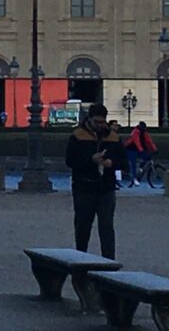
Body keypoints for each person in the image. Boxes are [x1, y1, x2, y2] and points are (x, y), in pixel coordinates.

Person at [65, 103, 126, 259]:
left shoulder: (113, 138)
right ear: (90, 119)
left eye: (102, 122)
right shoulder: (77, 135)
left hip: (106, 188)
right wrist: (91, 160)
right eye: (96, 122)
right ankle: (79, 260)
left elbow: (124, 162)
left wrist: (111, 163)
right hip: (84, 188)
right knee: (82, 228)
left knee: (106, 228)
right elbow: (70, 160)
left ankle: (109, 263)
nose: (100, 125)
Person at [124, 121, 158, 187]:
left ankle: (140, 167)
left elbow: (149, 141)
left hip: (140, 148)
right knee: (133, 163)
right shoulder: (135, 131)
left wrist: (155, 149)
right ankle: (134, 178)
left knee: (147, 158)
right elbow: (136, 142)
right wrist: (141, 150)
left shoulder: (145, 132)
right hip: (131, 148)